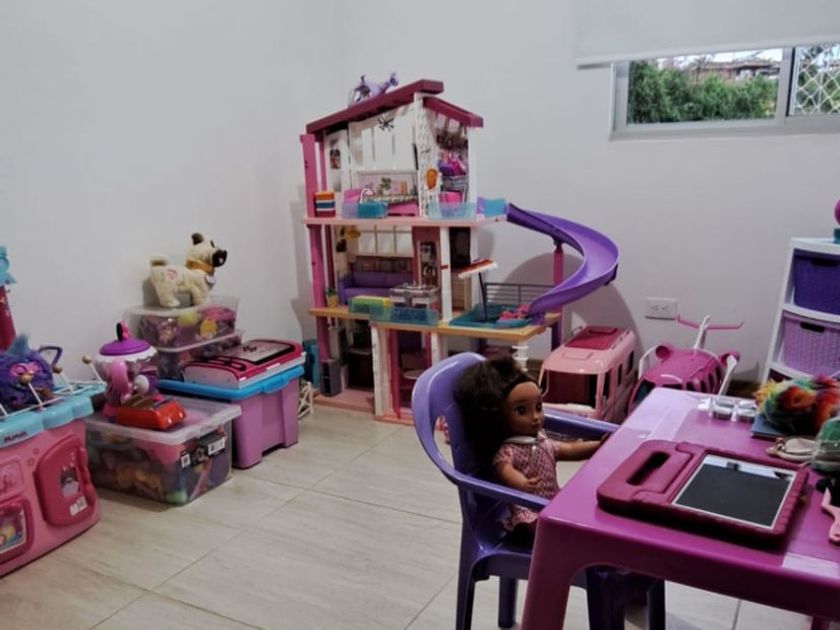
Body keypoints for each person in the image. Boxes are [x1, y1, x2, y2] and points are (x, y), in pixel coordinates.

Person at [454, 355, 602, 541]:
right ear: (498, 417)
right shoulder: (509, 450)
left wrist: (599, 446)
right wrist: (521, 483)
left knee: (588, 509)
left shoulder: (540, 438)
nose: (535, 417)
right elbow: (503, 469)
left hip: (551, 502)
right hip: (529, 511)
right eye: (522, 411)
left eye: (538, 407)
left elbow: (570, 450)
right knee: (564, 531)